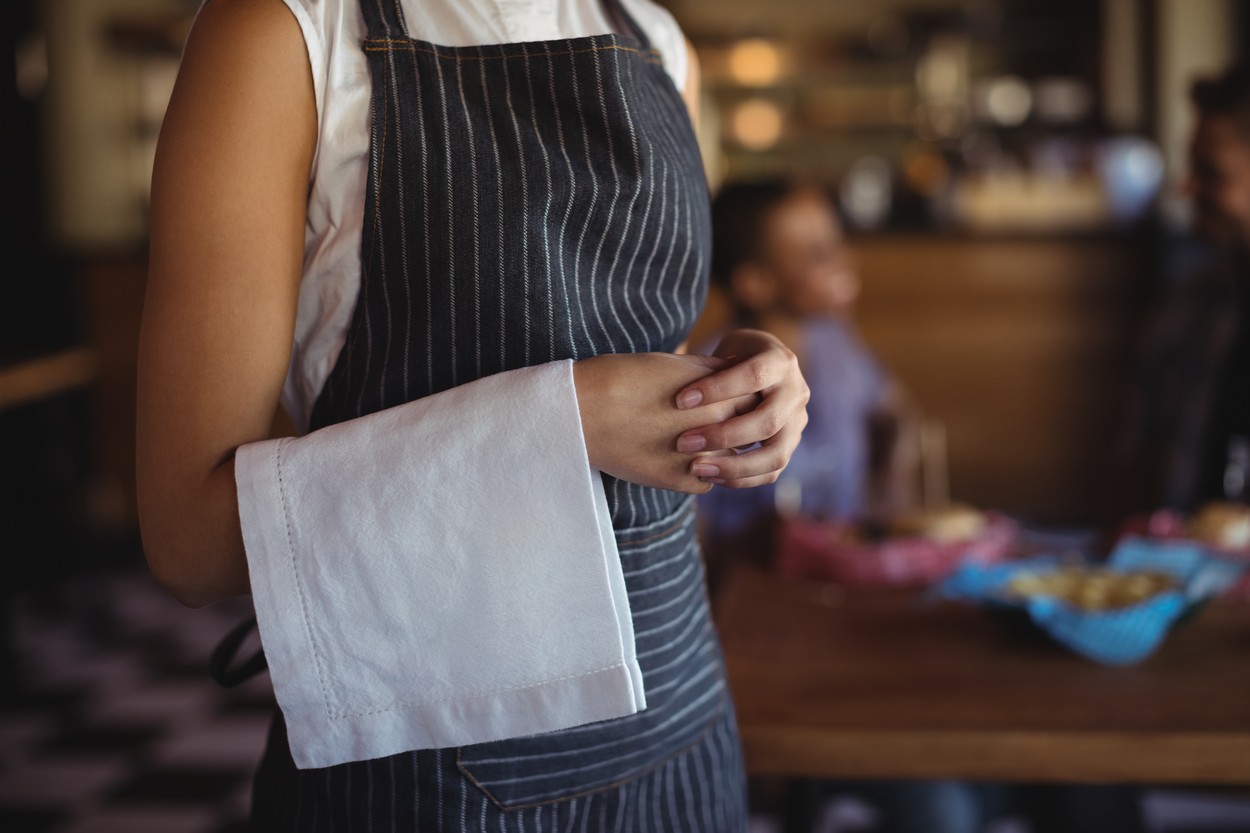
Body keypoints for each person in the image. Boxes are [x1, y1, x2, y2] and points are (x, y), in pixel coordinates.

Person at [135, 0, 809, 830]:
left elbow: (634, 333)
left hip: (686, 724)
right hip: (430, 766)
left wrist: (740, 380)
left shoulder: (656, 38)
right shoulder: (278, 33)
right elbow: (188, 543)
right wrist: (572, 419)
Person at [698, 180, 918, 545]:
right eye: (819, 254)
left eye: (838, 243)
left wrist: (890, 488)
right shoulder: (715, 377)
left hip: (844, 563)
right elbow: (696, 522)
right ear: (754, 283)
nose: (846, 261)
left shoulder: (836, 341)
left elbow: (896, 413)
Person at [1127, 64, 1250, 513]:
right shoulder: (1190, 304)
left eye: (1210, 172)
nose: (1187, 188)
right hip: (1180, 571)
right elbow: (1141, 460)